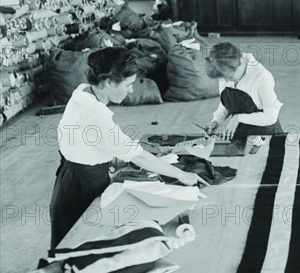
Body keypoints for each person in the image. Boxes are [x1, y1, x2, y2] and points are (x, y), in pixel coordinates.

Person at [50, 47, 207, 248]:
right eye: (128, 84)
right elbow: (138, 157)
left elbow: (88, 143)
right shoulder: (95, 115)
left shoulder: (83, 91)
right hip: (81, 188)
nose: (131, 90)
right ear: (107, 82)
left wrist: (121, 155)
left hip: (74, 177)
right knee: (77, 248)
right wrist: (182, 175)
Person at [204, 42, 283, 141]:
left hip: (265, 134)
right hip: (239, 131)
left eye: (229, 77)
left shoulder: (262, 77)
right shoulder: (223, 68)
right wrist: (216, 121)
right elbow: (229, 101)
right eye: (222, 78)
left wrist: (238, 118)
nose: (226, 81)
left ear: (238, 64)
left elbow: (270, 117)